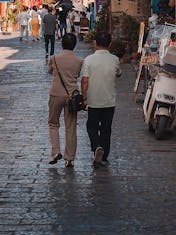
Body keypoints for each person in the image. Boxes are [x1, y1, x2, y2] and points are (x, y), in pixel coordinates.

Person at [80, 33, 121, 168]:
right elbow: (118, 73)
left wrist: (84, 97)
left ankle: (96, 146)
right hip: (109, 100)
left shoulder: (89, 60)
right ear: (110, 44)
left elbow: (85, 81)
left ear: (95, 43)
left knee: (91, 126)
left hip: (93, 100)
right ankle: (104, 155)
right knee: (106, 128)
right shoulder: (114, 59)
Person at [47, 33, 83, 168]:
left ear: (62, 44)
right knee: (71, 127)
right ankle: (69, 158)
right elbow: (78, 75)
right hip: (72, 96)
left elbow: (50, 71)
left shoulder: (54, 58)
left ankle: (55, 151)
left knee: (53, 123)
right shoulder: (79, 61)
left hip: (56, 94)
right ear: (75, 45)